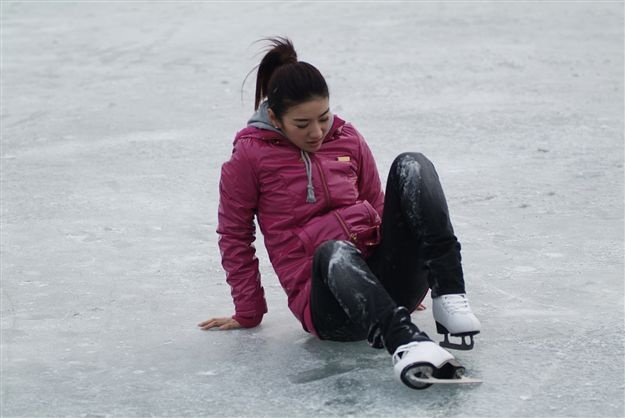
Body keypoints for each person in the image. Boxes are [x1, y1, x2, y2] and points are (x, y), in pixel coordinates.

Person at [198, 37, 481, 389]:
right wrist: (248, 311)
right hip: (329, 308)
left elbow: (378, 204)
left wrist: (404, 281)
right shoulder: (249, 157)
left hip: (383, 286)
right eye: (302, 124)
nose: (317, 132)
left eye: (324, 117)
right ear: (274, 118)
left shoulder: (347, 137)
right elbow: (235, 236)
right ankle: (407, 343)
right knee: (333, 251)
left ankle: (450, 294)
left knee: (412, 165)